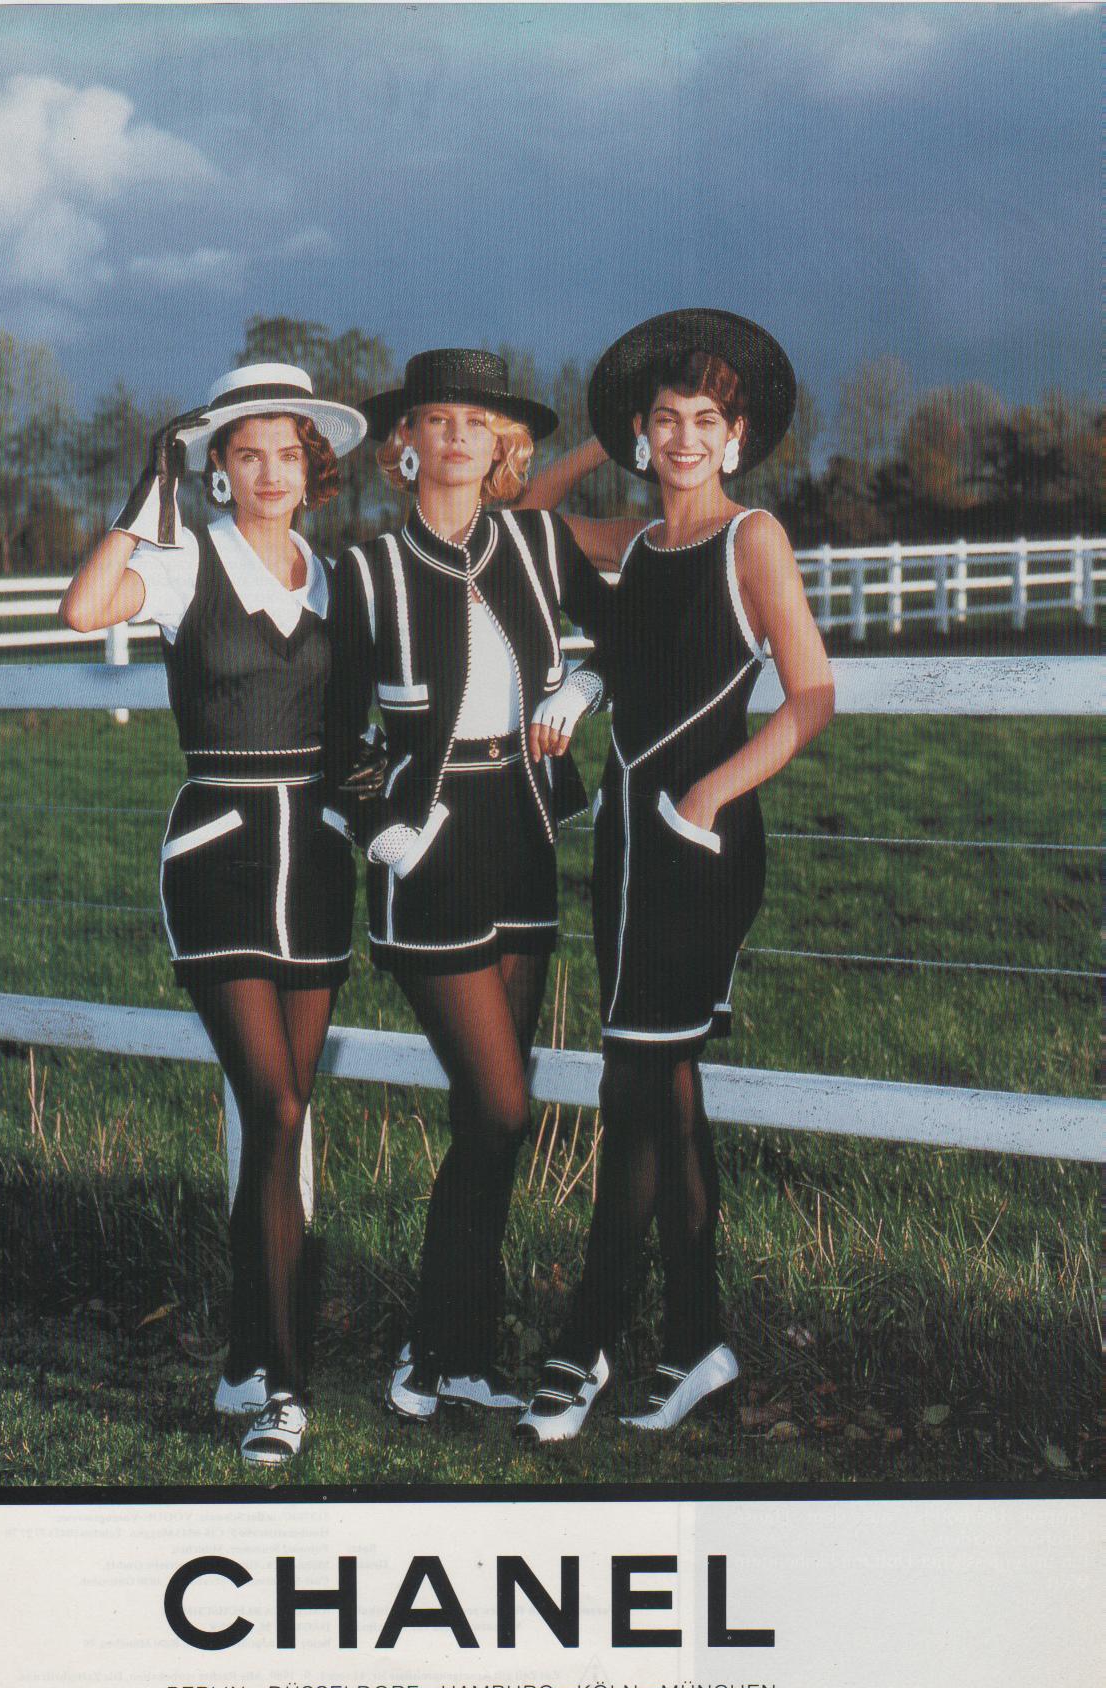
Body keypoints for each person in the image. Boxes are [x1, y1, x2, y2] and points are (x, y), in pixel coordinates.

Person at [512, 310, 835, 1441]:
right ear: (644, 437)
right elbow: (524, 517)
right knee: (665, 1089)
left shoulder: (754, 540)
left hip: (700, 850)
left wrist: (705, 799)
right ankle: (697, 1342)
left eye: (705, 421)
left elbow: (810, 696)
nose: (685, 439)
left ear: (735, 439)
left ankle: (584, 1343)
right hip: (624, 851)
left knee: (631, 1091)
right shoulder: (639, 545)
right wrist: (600, 438)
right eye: (665, 420)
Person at [59, 364, 368, 1465]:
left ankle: (246, 1353)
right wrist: (149, 494)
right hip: (219, 859)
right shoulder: (187, 561)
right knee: (274, 1108)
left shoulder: (338, 579)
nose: (270, 472)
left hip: (317, 863)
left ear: (312, 467)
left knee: (282, 1119)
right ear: (219, 468)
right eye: (247, 454)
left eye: (288, 452)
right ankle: (287, 1385)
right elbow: (83, 607)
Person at [322, 349, 605, 1423]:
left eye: (474, 423)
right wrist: (383, 832)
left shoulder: (536, 543)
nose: (453, 437)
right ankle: (435, 1339)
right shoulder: (366, 571)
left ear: (502, 447)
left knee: (493, 1119)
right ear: (404, 444)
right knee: (498, 1103)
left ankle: (461, 1353)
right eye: (434, 420)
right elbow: (328, 732)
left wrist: (582, 685)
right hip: (427, 850)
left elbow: (630, 634)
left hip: (523, 834)